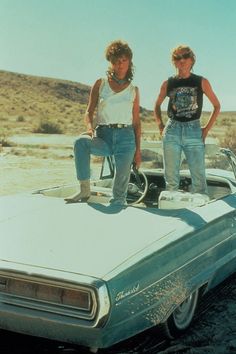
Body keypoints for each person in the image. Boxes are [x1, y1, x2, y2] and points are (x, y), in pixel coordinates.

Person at [65, 40, 141, 205]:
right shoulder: (101, 83)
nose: (119, 65)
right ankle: (85, 189)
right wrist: (89, 128)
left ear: (129, 61)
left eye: (123, 60)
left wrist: (138, 151)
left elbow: (136, 123)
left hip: (126, 139)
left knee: (119, 196)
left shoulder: (133, 90)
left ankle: (118, 208)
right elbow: (89, 111)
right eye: (115, 61)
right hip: (103, 136)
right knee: (80, 142)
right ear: (110, 62)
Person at [154, 44, 220, 195]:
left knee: (199, 181)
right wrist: (160, 126)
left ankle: (201, 216)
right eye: (177, 58)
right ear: (174, 62)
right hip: (172, 131)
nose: (181, 60)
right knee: (171, 181)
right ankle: (173, 214)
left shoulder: (201, 81)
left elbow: (217, 106)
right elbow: (157, 105)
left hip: (193, 130)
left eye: (185, 56)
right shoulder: (168, 83)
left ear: (191, 60)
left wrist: (206, 130)